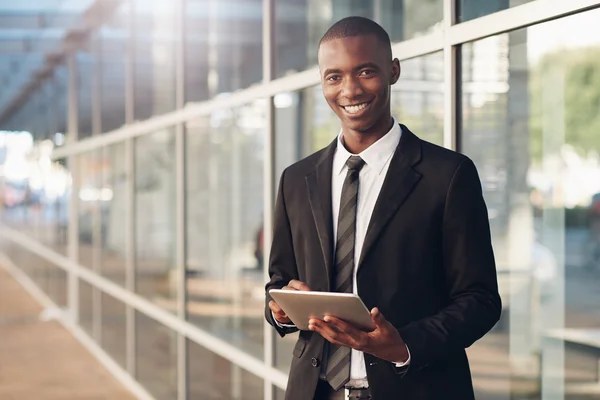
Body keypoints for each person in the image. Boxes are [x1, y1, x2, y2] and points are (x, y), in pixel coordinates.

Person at [265, 16, 501, 400]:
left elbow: (480, 300)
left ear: (393, 71)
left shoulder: (449, 175)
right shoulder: (297, 178)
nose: (350, 89)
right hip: (315, 391)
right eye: (334, 77)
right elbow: (278, 281)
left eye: (366, 71)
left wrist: (404, 345)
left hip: (418, 388)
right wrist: (279, 307)